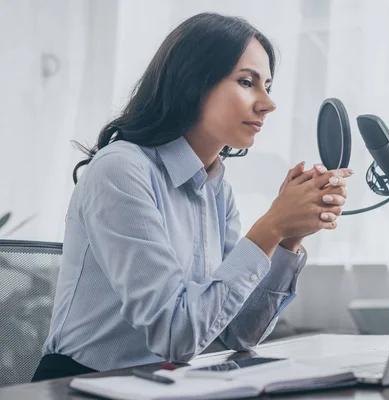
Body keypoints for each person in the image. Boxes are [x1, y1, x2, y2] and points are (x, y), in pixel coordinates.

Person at [32, 12, 351, 381]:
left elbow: (238, 333)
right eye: (247, 82)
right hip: (82, 385)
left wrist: (287, 238)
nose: (268, 103)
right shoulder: (121, 170)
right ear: (192, 83)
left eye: (268, 86)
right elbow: (175, 335)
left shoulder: (216, 187)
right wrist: (271, 224)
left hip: (161, 385)